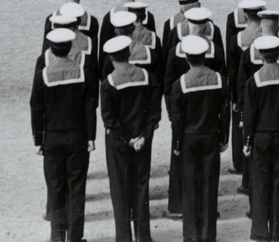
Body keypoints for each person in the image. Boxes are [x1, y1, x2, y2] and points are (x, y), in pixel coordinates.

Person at [32, 28, 99, 242]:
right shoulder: (82, 73)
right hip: (77, 138)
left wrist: (38, 139)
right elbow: (90, 106)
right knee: (76, 189)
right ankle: (76, 238)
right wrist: (91, 137)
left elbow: (36, 107)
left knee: (55, 187)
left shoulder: (42, 74)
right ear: (71, 48)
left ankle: (57, 237)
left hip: (51, 138)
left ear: (51, 49)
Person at [101, 34, 161, 242]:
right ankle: (143, 236)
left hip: (119, 143)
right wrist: (142, 136)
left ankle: (123, 237)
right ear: (129, 54)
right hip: (143, 141)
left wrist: (127, 139)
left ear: (111, 59)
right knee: (141, 186)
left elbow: (109, 119)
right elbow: (154, 112)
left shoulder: (109, 82)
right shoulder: (146, 76)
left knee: (119, 189)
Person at [170, 34, 229, 242]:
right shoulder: (219, 79)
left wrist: (176, 143)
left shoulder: (180, 83)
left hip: (189, 139)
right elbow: (225, 111)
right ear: (205, 56)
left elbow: (177, 119)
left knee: (190, 186)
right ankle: (207, 234)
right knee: (209, 185)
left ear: (187, 58)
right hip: (211, 136)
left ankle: (191, 235)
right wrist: (224, 137)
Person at [242, 34, 279, 242]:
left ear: (261, 56)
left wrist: (247, 141)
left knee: (259, 183)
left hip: (260, 136)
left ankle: (259, 231)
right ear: (277, 54)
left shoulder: (254, 80)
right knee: (278, 183)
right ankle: (277, 230)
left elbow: (249, 116)